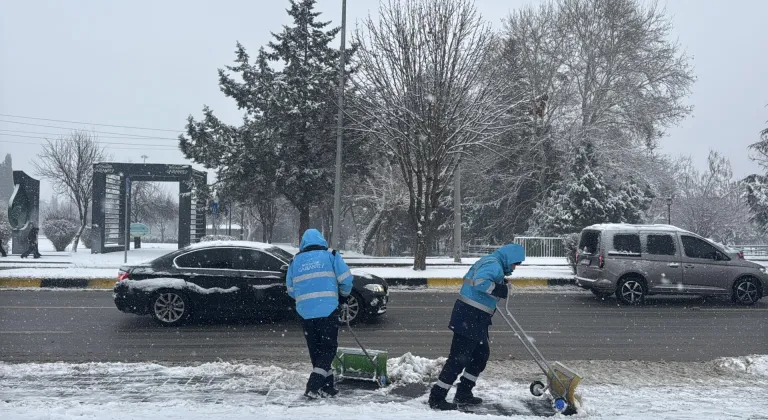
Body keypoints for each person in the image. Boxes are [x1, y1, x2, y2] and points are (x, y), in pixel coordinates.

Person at [428, 244, 526, 410]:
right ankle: (437, 398)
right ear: (509, 258)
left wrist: (501, 283)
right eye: (515, 263)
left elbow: (485, 279)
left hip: (475, 317)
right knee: (458, 359)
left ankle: (463, 393)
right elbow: (480, 282)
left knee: (481, 354)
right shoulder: (493, 264)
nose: (515, 268)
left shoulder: (493, 262)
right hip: (469, 316)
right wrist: (500, 289)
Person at [286, 228, 353, 399]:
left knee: (316, 350)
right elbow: (346, 279)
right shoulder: (331, 255)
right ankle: (314, 385)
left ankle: (327, 386)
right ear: (322, 240)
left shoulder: (295, 261)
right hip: (328, 310)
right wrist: (343, 296)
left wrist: (305, 300)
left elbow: (291, 289)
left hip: (305, 312)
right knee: (329, 348)